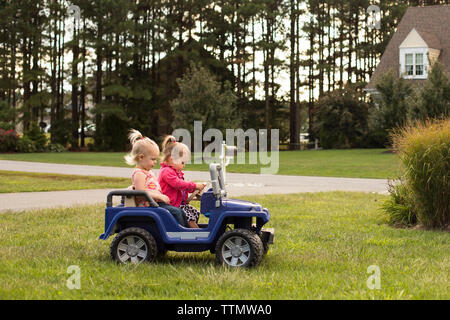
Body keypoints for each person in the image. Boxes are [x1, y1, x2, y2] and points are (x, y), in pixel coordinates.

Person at [124, 129, 186, 227]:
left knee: (181, 212)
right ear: (141, 157)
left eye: (156, 159)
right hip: (148, 206)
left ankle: (187, 232)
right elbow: (141, 192)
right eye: (153, 159)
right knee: (176, 213)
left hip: (154, 204)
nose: (155, 162)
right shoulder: (139, 174)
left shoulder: (148, 172)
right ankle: (181, 236)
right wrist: (160, 196)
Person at [158, 135, 206, 229]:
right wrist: (195, 185)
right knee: (188, 216)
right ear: (172, 159)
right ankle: (194, 233)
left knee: (193, 211)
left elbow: (183, 189)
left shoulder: (176, 172)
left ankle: (191, 230)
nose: (184, 166)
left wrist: (194, 190)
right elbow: (178, 184)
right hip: (169, 204)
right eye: (182, 162)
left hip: (178, 204)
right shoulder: (166, 172)